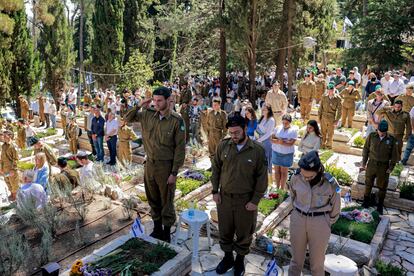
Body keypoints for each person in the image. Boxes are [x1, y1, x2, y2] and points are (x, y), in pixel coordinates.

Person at [124, 86, 186, 243]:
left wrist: (174, 172)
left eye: (160, 100)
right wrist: (139, 104)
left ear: (168, 100)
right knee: (153, 199)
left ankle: (166, 232)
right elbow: (128, 118)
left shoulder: (176, 121)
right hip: (149, 164)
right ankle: (157, 229)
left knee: (166, 201)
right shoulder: (147, 115)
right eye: (154, 100)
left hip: (166, 167)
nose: (156, 104)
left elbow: (180, 148)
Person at [211, 114, 267, 276]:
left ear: (245, 129)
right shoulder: (223, 146)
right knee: (225, 230)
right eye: (231, 133)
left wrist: (255, 200)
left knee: (244, 233)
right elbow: (216, 169)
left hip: (246, 201)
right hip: (225, 198)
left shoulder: (257, 150)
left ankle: (239, 261)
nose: (233, 136)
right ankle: (228, 258)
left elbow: (262, 178)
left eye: (236, 132)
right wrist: (215, 191)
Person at [288, 151, 341, 276]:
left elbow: (336, 205)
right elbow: (292, 196)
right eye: (304, 176)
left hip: (319, 222)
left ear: (318, 171)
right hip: (298, 219)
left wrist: (327, 221)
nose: (305, 179)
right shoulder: (296, 177)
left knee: (317, 264)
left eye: (310, 177)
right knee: (296, 260)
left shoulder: (330, 184)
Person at [361, 120, 398, 214]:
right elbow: (366, 149)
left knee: (382, 187)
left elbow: (394, 155)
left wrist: (391, 168)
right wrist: (363, 163)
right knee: (368, 183)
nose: (381, 134)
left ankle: (380, 206)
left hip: (383, 166)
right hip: (372, 164)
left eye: (383, 132)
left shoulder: (392, 139)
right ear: (377, 129)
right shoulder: (372, 136)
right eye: (380, 131)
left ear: (386, 131)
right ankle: (365, 202)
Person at [271, 114, 297, 189]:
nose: (284, 124)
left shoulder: (293, 130)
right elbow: (272, 139)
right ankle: (277, 187)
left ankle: (282, 189)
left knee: (284, 172)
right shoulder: (277, 128)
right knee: (276, 171)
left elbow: (291, 143)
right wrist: (283, 141)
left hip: (287, 154)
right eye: (283, 123)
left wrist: (281, 142)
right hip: (276, 152)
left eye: (286, 123)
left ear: (290, 122)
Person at [318, 83, 342, 149]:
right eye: (328, 90)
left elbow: (339, 111)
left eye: (331, 90)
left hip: (331, 118)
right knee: (323, 132)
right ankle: (322, 145)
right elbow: (320, 108)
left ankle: (328, 146)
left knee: (330, 133)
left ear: (334, 90)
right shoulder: (324, 97)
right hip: (324, 117)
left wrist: (337, 120)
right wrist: (319, 117)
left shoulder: (337, 98)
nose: (330, 92)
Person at [256, 104, 275, 184]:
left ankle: (267, 181)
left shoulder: (271, 120)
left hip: (266, 142)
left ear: (269, 111)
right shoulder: (262, 118)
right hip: (259, 141)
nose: (263, 111)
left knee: (266, 161)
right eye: (262, 109)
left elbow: (268, 134)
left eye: (265, 110)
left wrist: (259, 140)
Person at [206, 97, 228, 165]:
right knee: (211, 151)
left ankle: (218, 166)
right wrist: (208, 135)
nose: (214, 106)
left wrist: (223, 137)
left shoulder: (223, 114)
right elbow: (207, 124)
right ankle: (212, 166)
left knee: (218, 152)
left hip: (218, 135)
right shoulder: (210, 113)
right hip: (211, 135)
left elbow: (225, 127)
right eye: (213, 105)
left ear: (219, 105)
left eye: (215, 105)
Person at [0, 130, 20, 201]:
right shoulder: (3, 146)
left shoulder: (13, 146)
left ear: (10, 136)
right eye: (3, 136)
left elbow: (16, 159)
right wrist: (1, 168)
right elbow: (2, 158)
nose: (3, 137)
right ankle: (12, 194)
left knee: (14, 183)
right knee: (8, 182)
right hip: (5, 169)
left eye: (5, 136)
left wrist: (13, 169)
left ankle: (16, 197)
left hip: (12, 169)